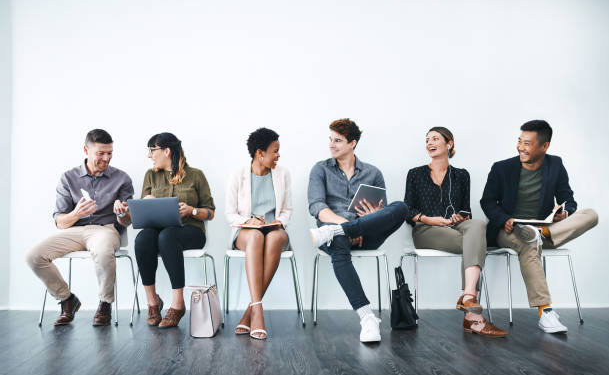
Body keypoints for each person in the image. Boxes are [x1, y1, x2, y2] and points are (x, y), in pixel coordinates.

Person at [480, 120, 598, 333]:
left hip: (545, 231)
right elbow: (487, 201)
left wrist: (564, 212)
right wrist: (503, 219)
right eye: (519, 141)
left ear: (544, 146)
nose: (520, 147)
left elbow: (568, 198)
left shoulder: (555, 165)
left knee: (591, 214)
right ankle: (545, 312)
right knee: (528, 241)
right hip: (510, 230)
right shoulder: (502, 168)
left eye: (527, 143)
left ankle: (542, 232)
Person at [308, 118, 409, 343]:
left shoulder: (373, 172)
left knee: (401, 207)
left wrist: (371, 217)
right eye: (330, 139)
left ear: (352, 143)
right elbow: (317, 208)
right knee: (339, 241)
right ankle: (367, 318)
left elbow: (381, 214)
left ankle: (341, 231)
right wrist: (346, 226)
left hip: (365, 232)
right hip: (331, 231)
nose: (331, 145)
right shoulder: (320, 169)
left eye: (338, 140)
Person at [404, 127, 507, 337]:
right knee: (476, 244)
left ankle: (468, 296)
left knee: (477, 225)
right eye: (427, 140)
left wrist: (460, 217)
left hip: (456, 227)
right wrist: (428, 219)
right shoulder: (415, 174)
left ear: (449, 144)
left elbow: (466, 210)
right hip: (426, 229)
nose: (429, 143)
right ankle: (473, 318)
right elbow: (407, 210)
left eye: (435, 138)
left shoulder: (461, 175)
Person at [26, 129, 134, 326]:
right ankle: (67, 300)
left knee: (102, 251)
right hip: (74, 231)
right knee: (34, 256)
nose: (106, 158)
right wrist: (77, 213)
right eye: (100, 153)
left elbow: (126, 222)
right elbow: (60, 222)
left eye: (109, 152)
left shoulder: (122, 179)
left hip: (106, 229)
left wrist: (122, 214)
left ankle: (105, 303)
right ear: (86, 150)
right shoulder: (68, 178)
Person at [120, 133, 215, 329]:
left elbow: (210, 212)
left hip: (191, 231)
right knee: (143, 239)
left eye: (152, 150)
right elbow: (141, 214)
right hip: (158, 231)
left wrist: (192, 210)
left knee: (168, 236)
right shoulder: (150, 176)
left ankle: (178, 304)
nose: (149, 156)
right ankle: (153, 302)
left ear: (167, 151)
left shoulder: (196, 175)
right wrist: (144, 203)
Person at [225, 128, 292, 340]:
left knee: (272, 237)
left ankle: (251, 311)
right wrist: (248, 221)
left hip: (274, 230)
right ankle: (258, 312)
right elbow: (230, 213)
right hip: (246, 232)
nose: (278, 156)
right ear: (259, 153)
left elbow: (287, 209)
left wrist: (278, 222)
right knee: (255, 236)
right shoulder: (238, 175)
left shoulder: (283, 174)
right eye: (275, 151)